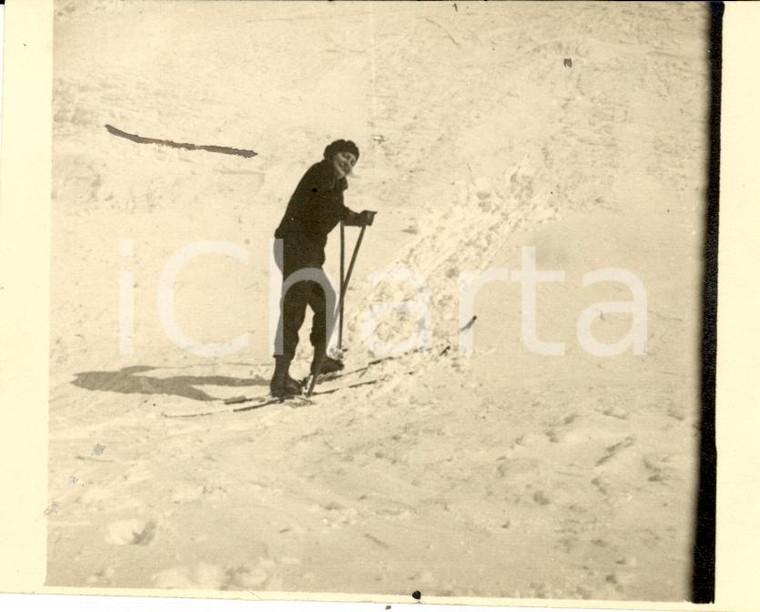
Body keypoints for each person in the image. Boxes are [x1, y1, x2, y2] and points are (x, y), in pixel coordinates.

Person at [271, 139, 376, 398]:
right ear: (330, 155)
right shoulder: (321, 173)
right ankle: (280, 378)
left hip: (307, 251)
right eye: (344, 156)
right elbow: (325, 208)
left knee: (325, 300)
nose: (347, 162)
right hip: (295, 247)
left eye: (352, 160)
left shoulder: (334, 182)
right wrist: (353, 216)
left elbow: (328, 211)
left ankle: (320, 360)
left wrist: (352, 217)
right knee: (295, 309)